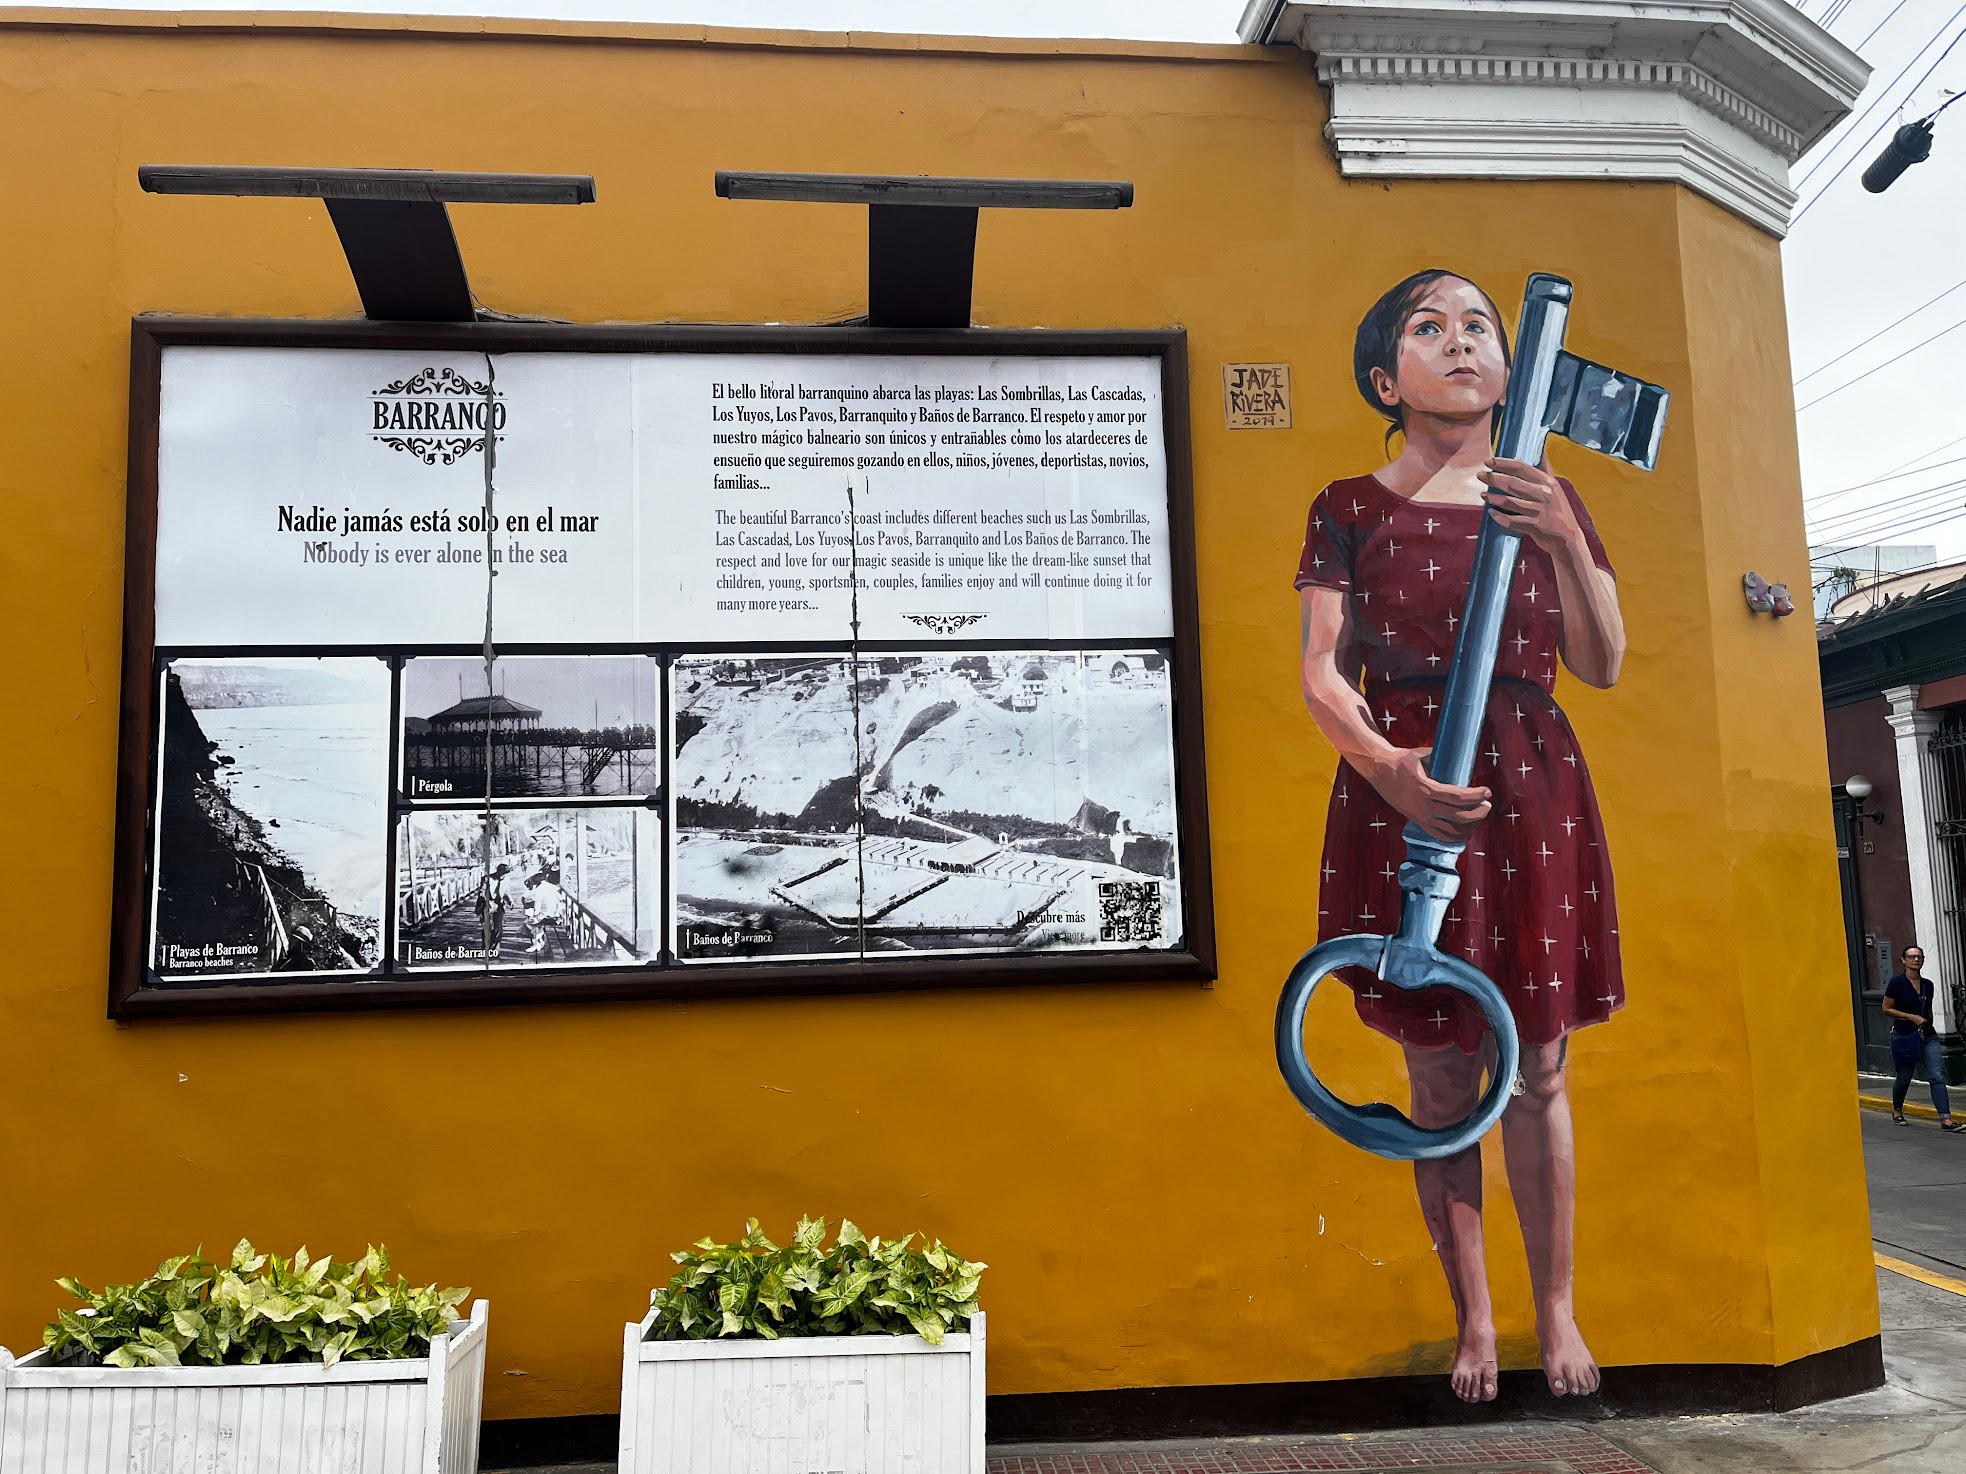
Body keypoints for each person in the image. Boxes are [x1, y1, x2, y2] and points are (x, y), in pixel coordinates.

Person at [1296, 269, 1627, 1404]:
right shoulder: (1348, 505)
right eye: (1427, 330)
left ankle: (1555, 1313)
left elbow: (1602, 661)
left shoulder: (1549, 495)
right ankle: (1475, 1321)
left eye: (1477, 326)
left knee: (1538, 1067)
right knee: (1439, 1073)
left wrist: (1564, 544)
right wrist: (1390, 771)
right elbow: (1319, 673)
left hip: (1529, 788)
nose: (1460, 344)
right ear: (1386, 376)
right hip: (1406, 790)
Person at [1883, 946, 1962, 1130]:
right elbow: (1886, 1008)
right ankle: (1897, 1111)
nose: (1916, 960)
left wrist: (1926, 1022)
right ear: (1903, 960)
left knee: (1937, 1075)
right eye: (1911, 957)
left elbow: (1928, 1010)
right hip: (1904, 1036)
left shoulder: (1928, 984)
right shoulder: (1896, 983)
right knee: (1904, 1076)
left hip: (1927, 1035)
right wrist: (1912, 1017)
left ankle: (1945, 1119)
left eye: (1919, 956)